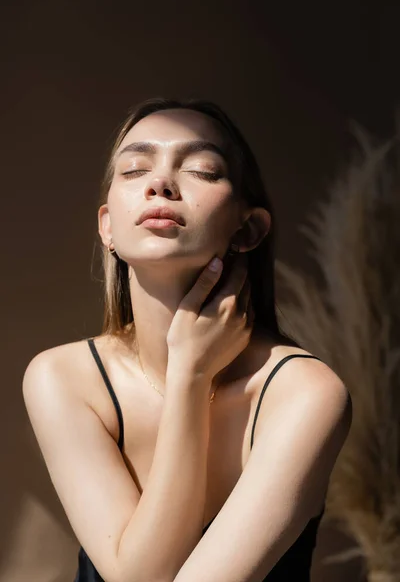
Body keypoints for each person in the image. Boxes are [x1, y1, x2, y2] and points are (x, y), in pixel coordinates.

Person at [22, 97, 352, 582]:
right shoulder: (64, 378)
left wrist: (189, 373)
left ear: (248, 228)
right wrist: (190, 376)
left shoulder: (304, 393)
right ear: (107, 226)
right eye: (134, 169)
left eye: (202, 170)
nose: (159, 183)